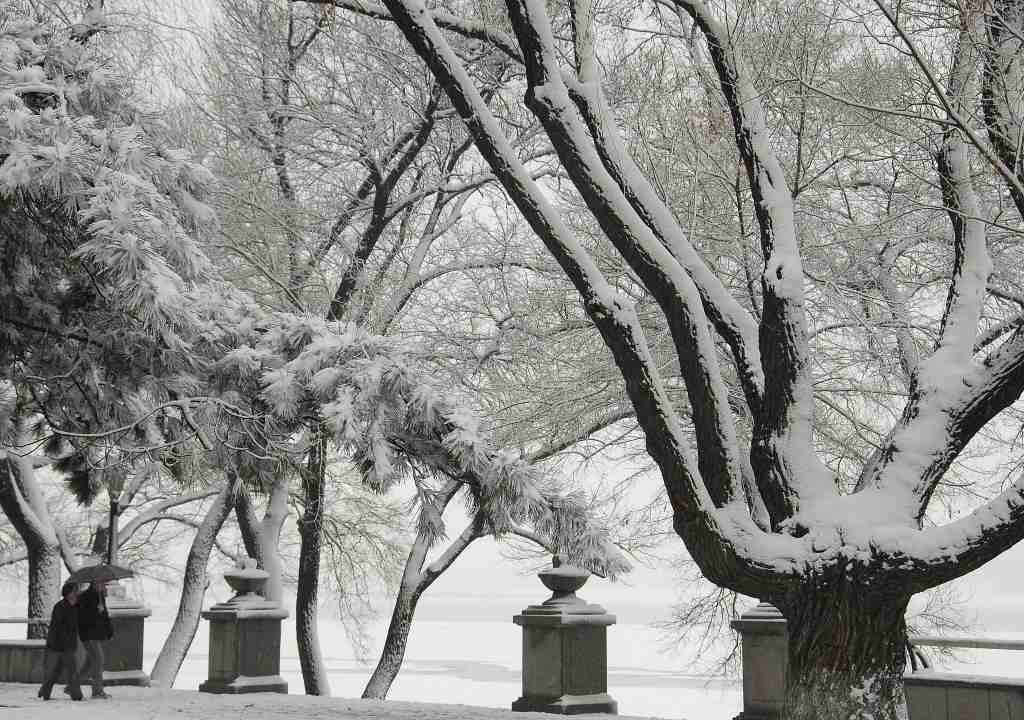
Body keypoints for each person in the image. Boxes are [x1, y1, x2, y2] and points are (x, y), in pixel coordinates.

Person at [38, 582, 83, 701]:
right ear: (68, 593)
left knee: (61, 670)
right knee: (65, 670)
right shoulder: (60, 606)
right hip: (58, 643)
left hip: (69, 643)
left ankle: (46, 691)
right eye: (74, 591)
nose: (76, 593)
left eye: (77, 591)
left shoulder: (77, 606)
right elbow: (58, 627)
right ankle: (75, 695)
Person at [77, 579, 114, 699]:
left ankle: (71, 686)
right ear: (94, 584)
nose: (104, 586)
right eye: (102, 584)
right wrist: (96, 611)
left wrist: (109, 631)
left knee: (89, 664)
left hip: (96, 635)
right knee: (98, 660)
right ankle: (97, 691)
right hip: (88, 635)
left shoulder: (100, 597)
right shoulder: (84, 597)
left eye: (104, 584)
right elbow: (82, 617)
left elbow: (105, 616)